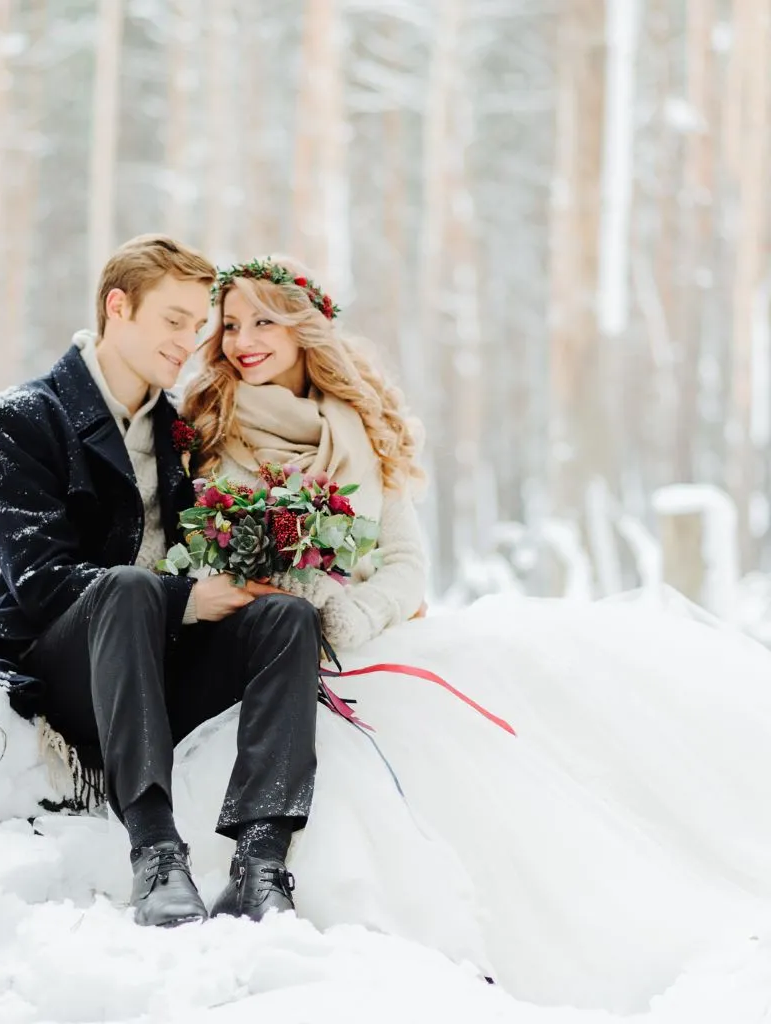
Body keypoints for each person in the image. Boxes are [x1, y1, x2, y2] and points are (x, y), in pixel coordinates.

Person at [171, 255, 771, 1008]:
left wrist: (354, 612)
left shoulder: (358, 428)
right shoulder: (207, 430)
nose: (243, 340)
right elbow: (187, 553)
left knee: (470, 744)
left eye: (263, 320)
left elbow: (405, 565)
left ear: (303, 328)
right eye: (229, 324)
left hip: (363, 640)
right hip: (256, 652)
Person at [0, 236, 323, 929]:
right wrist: (184, 598)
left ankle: (261, 861)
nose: (188, 342)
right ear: (117, 307)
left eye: (198, 327)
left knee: (288, 619)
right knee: (128, 587)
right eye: (173, 320)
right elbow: (42, 582)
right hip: (69, 671)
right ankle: (157, 853)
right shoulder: (19, 419)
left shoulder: (184, 433)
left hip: (162, 665)